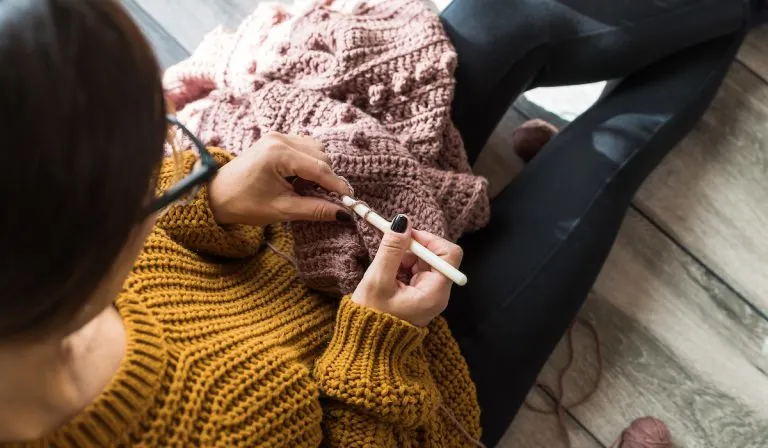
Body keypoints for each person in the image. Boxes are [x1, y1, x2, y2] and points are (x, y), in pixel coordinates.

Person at [0, 1, 763, 447]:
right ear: (79, 253)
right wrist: (379, 340)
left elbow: (162, 221)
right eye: (159, 166)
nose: (180, 153)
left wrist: (212, 198)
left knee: (495, 21)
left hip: (285, 255)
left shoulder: (43, 266)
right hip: (397, 391)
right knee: (605, 161)